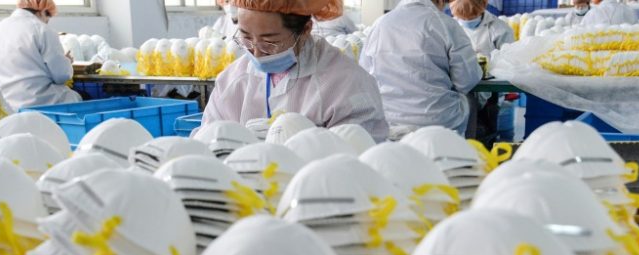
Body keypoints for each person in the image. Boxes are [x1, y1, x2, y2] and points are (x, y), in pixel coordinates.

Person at [203, 0, 389, 141]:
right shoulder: (231, 81)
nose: (257, 53)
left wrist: (306, 143)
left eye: (270, 42)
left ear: (306, 29)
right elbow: (207, 140)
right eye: (246, 38)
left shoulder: (347, 83)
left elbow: (359, 152)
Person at [360, 0, 481, 138]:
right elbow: (467, 81)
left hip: (389, 120)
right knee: (470, 100)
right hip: (438, 121)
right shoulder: (445, 24)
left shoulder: (379, 24)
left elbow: (365, 76)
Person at [0, 0, 80, 111]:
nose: (46, 22)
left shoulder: (0, 27)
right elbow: (61, 76)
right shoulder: (42, 29)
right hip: (39, 101)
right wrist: (67, 61)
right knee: (75, 98)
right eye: (47, 19)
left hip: (6, 102)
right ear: (43, 11)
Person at [451, 0, 512, 143]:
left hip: (488, 91)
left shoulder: (499, 29)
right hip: (459, 87)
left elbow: (509, 62)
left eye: (471, 17)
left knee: (485, 130)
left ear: (483, 7)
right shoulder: (450, 26)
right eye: (462, 17)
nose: (466, 20)